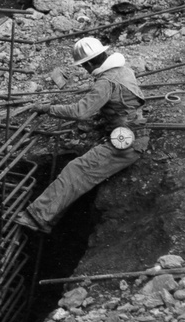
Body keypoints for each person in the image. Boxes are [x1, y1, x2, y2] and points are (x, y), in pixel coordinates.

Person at [15, 37, 148, 233]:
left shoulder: (105, 82)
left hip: (127, 142)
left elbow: (81, 112)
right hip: (131, 131)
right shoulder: (123, 71)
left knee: (76, 169)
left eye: (84, 66)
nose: (85, 70)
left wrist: (47, 108)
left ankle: (37, 216)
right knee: (80, 171)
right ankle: (48, 216)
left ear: (89, 63)